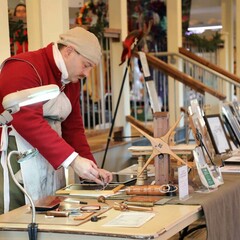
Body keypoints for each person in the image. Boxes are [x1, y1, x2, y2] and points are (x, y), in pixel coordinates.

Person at [0, 27, 113, 214]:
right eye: (85, 65)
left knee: (48, 216)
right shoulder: (23, 67)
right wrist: (74, 160)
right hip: (14, 159)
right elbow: (26, 120)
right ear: (68, 51)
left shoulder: (70, 81)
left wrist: (92, 170)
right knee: (15, 220)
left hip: (51, 163)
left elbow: (73, 129)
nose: (87, 74)